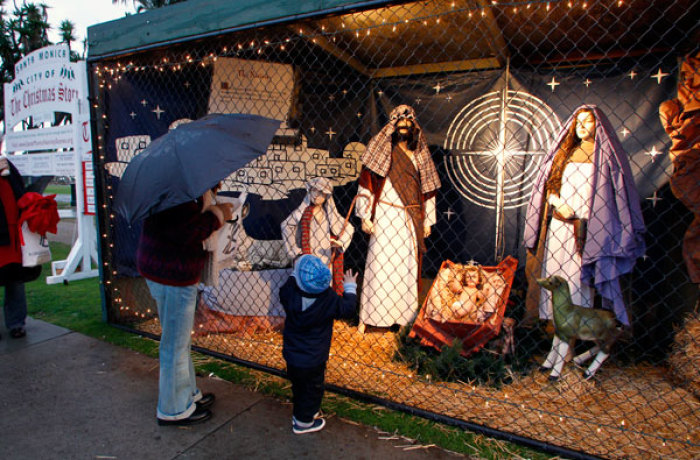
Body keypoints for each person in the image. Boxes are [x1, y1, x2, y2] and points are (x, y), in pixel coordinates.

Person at [524, 105, 645, 327]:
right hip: (561, 227)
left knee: (581, 280)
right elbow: (550, 186)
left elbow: (616, 194)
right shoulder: (565, 153)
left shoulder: (608, 158)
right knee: (556, 275)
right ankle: (556, 329)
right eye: (577, 121)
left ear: (598, 124)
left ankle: (579, 329)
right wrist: (557, 202)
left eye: (587, 121)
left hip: (591, 230)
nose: (580, 126)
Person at [137, 193, 233, 426]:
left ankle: (186, 395)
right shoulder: (179, 193)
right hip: (172, 274)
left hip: (165, 269)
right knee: (175, 345)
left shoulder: (174, 187)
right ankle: (173, 409)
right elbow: (187, 232)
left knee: (179, 343)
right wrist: (219, 214)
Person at [355, 104, 441, 333]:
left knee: (405, 268)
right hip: (384, 216)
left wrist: (427, 221)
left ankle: (403, 320)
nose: (404, 128)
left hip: (409, 217)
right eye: (400, 124)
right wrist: (365, 215)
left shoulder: (420, 155)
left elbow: (428, 190)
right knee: (381, 266)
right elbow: (367, 185)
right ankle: (375, 320)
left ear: (414, 127)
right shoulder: (382, 153)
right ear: (393, 127)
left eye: (408, 124)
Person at [279, 254, 357, 434]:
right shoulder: (328, 299)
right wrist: (350, 287)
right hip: (314, 358)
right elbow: (348, 309)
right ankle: (303, 422)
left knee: (298, 386)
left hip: (292, 355)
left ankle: (300, 412)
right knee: (313, 390)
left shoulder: (289, 293)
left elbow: (292, 280)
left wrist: (296, 272)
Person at [281, 177, 353, 294]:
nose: (316, 195)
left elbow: (349, 228)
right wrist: (295, 251)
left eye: (320, 192)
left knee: (325, 292)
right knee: (306, 291)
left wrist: (341, 243)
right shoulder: (302, 212)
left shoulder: (330, 215)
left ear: (326, 196)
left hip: (325, 260)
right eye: (313, 191)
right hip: (307, 260)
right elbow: (286, 226)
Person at [0, 157, 38, 340]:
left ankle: (16, 323)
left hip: (12, 232)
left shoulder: (6, 166)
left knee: (15, 280)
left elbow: (20, 193)